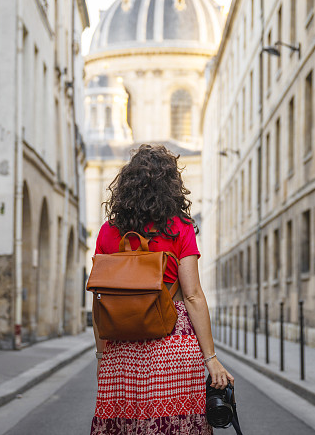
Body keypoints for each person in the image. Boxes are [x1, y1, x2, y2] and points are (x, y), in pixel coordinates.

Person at [90, 144, 234, 435]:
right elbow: (192, 295)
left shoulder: (108, 231)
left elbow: (100, 300)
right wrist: (211, 359)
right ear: (171, 186)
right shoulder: (180, 227)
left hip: (122, 349)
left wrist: (102, 357)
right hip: (173, 339)